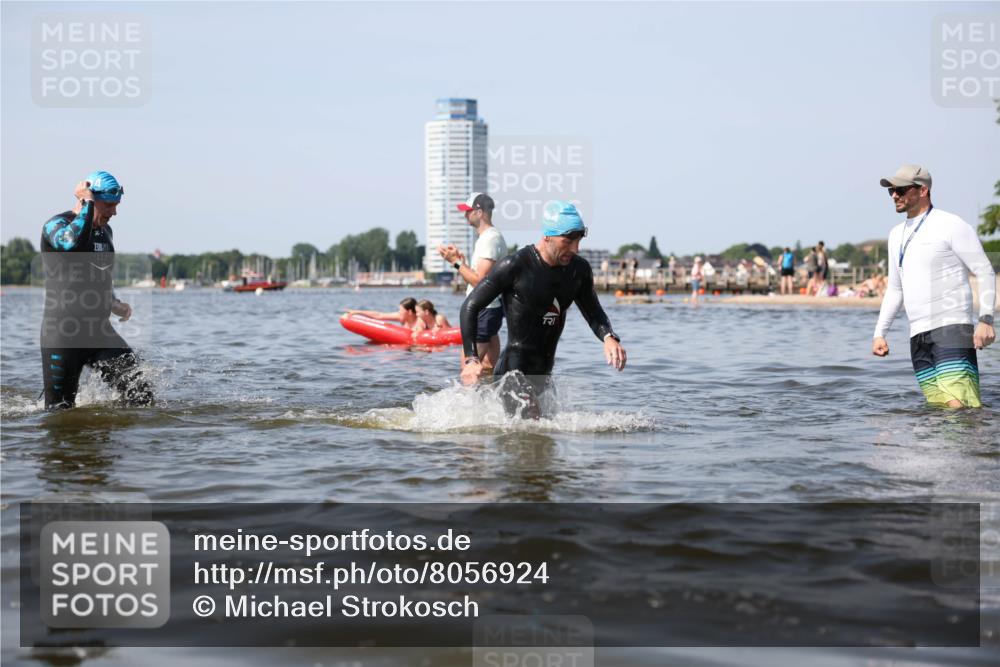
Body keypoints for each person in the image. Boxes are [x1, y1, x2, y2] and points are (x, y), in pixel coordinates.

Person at [458, 201, 626, 414]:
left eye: (578, 241)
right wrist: (471, 358)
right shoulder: (516, 265)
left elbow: (593, 311)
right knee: (532, 426)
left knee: (543, 441)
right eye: (568, 241)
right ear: (547, 235)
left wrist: (609, 337)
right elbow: (470, 306)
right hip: (512, 373)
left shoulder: (578, 270)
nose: (575, 249)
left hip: (544, 375)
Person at [872, 164, 996, 408]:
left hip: (951, 327)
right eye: (891, 191)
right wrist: (880, 333)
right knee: (938, 410)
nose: (894, 195)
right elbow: (896, 289)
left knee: (958, 408)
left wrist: (986, 320)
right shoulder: (896, 234)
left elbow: (984, 270)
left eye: (901, 189)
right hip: (918, 334)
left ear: (922, 190)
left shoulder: (951, 224)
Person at [39, 171, 152, 410]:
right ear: (88, 198)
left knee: (141, 396)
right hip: (63, 335)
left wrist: (113, 303)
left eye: (117, 205)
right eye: (109, 205)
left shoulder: (105, 232)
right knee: (60, 412)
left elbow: (100, 275)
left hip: (99, 331)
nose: (114, 212)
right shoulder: (56, 225)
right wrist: (88, 204)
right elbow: (71, 244)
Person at [437, 193, 507, 371]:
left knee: (468, 371)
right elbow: (479, 277)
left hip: (485, 308)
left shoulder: (490, 238)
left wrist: (455, 262)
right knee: (488, 369)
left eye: (468, 211)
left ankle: (466, 399)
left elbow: (481, 281)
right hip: (489, 309)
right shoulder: (487, 238)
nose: (465, 215)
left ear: (479, 212)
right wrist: (463, 263)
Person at [346, 297, 418, 327]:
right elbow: (379, 315)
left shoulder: (420, 321)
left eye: (401, 311)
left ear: (410, 312)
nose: (399, 312)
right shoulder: (401, 317)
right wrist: (357, 312)